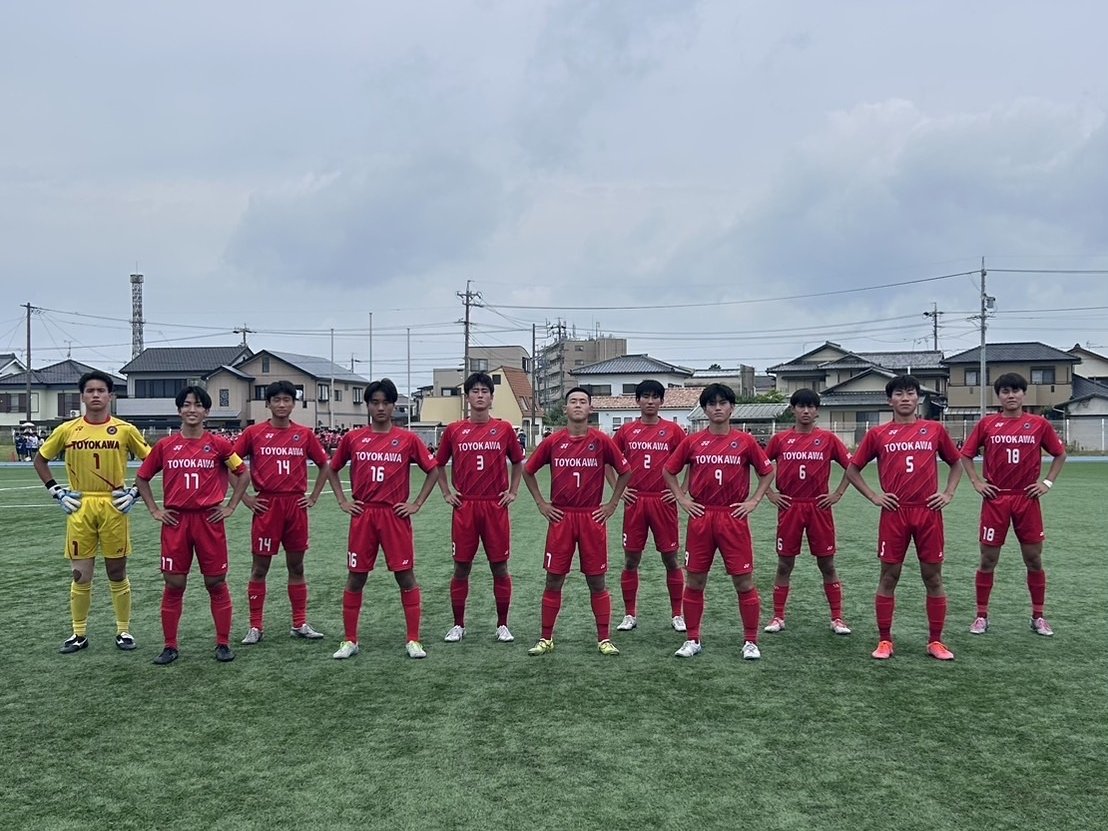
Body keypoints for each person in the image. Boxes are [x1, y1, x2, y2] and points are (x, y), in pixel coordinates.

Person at [845, 375, 963, 661]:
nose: (906, 398)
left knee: (933, 577)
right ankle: (885, 640)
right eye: (899, 394)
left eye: (911, 393)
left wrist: (948, 493)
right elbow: (852, 469)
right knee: (889, 576)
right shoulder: (878, 434)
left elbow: (956, 463)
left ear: (918, 398)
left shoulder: (934, 429)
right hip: (894, 513)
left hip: (928, 511)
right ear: (890, 400)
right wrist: (874, 496)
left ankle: (935, 641)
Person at [34, 371, 151, 653]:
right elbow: (40, 460)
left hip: (113, 505)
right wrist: (56, 491)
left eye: (101, 390)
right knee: (80, 575)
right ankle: (78, 633)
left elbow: (153, 461)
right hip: (80, 505)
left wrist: (135, 492)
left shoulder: (125, 429)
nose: (96, 395)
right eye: (90, 390)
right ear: (83, 396)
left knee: (116, 571)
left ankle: (123, 630)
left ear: (111, 396)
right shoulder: (67, 430)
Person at [135, 386, 251, 664]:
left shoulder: (220, 445)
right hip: (176, 521)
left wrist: (231, 506)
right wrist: (154, 510)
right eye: (187, 405)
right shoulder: (165, 446)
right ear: (179, 410)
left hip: (209, 520)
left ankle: (223, 643)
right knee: (174, 583)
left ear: (206, 412)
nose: (192, 410)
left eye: (198, 405)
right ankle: (170, 646)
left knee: (216, 582)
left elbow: (243, 473)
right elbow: (142, 477)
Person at [329, 379, 440, 660]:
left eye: (386, 403)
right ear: (367, 405)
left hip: (394, 515)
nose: (380, 408)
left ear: (393, 406)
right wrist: (343, 501)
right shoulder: (353, 438)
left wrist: (416, 503)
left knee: (405, 576)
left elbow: (433, 470)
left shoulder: (407, 439)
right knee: (356, 577)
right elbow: (332, 468)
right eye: (375, 402)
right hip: (364, 514)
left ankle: (413, 639)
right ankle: (350, 640)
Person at [662, 383, 773, 660]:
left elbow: (767, 471)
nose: (717, 408)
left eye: (723, 403)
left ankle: (750, 642)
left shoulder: (745, 441)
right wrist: (682, 499)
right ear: (705, 409)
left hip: (732, 516)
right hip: (702, 516)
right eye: (711, 404)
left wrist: (754, 500)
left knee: (743, 581)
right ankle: (692, 639)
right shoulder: (693, 441)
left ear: (732, 407)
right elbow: (668, 470)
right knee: (695, 580)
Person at [522, 387, 631, 656]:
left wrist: (612, 503)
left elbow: (625, 471)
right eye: (573, 401)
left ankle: (604, 639)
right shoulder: (553, 441)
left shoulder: (602, 441)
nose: (578, 405)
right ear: (565, 409)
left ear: (590, 409)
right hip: (561, 517)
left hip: (591, 517)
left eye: (583, 401)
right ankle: (546, 638)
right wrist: (542, 504)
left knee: (597, 581)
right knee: (554, 579)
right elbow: (527, 470)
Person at [959, 372, 1067, 637]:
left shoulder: (1038, 424)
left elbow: (1059, 454)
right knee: (988, 559)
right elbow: (966, 455)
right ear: (998, 396)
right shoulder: (987, 424)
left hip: (1026, 498)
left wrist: (1047, 482)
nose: (1011, 395)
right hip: (996, 498)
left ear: (1023, 394)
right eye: (1005, 391)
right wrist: (976, 482)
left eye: (1016, 390)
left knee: (1033, 559)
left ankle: (1038, 616)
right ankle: (981, 616)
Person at [234, 380, 338, 645]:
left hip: (295, 507)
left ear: (294, 404)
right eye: (277, 400)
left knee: (297, 566)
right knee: (260, 568)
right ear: (268, 404)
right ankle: (255, 626)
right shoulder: (253, 433)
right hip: (267, 506)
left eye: (287, 400)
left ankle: (299, 623)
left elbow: (325, 465)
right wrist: (245, 498)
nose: (282, 404)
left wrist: (313, 497)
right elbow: (230, 464)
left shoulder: (304, 434)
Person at [435, 372, 524, 643]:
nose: (480, 395)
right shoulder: (454, 430)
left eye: (485, 391)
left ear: (492, 397)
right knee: (461, 567)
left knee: (500, 567)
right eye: (475, 391)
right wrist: (447, 492)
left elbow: (518, 462)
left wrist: (513, 491)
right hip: (466, 506)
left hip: (495, 505)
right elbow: (438, 464)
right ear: (468, 397)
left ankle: (502, 625)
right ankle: (458, 625)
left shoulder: (504, 429)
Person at [763, 389, 853, 635]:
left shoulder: (828, 439)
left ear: (817, 411)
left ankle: (837, 618)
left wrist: (837, 493)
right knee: (784, 564)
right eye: (801, 406)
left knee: (827, 564)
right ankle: (778, 617)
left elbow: (852, 467)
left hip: (818, 506)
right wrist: (770, 493)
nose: (806, 411)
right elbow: (760, 466)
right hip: (790, 506)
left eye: (810, 406)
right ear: (793, 409)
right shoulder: (780, 439)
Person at [610, 379, 687, 633]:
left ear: (662, 401)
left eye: (655, 397)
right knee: (631, 559)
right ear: (638, 400)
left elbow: (692, 460)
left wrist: (681, 492)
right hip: (636, 501)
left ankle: (677, 614)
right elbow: (608, 460)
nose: (650, 401)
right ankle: (629, 614)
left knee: (670, 559)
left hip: (663, 500)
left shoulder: (674, 431)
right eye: (645, 396)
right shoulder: (626, 431)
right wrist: (619, 490)